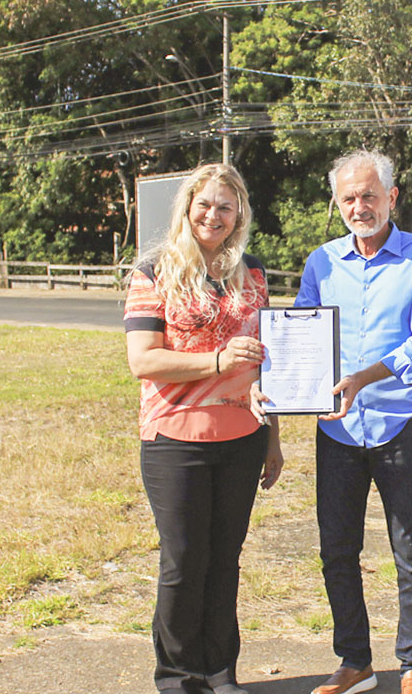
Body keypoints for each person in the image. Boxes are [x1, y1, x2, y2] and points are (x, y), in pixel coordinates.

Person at [124, 163, 284, 694]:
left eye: (225, 205)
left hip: (243, 438)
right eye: (204, 204)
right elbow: (144, 360)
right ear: (187, 208)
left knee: (225, 560)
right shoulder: (153, 272)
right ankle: (177, 677)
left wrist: (274, 440)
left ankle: (220, 673)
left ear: (239, 214)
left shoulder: (253, 272)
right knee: (184, 562)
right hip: (175, 440)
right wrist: (216, 361)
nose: (213, 215)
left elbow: (268, 363)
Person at [295, 149, 412, 694]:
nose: (360, 206)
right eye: (349, 198)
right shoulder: (322, 262)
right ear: (338, 203)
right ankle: (355, 661)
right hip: (336, 429)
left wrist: (363, 377)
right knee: (337, 549)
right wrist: (287, 380)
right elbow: (301, 333)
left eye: (369, 195)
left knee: (410, 549)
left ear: (392, 198)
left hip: (402, 424)